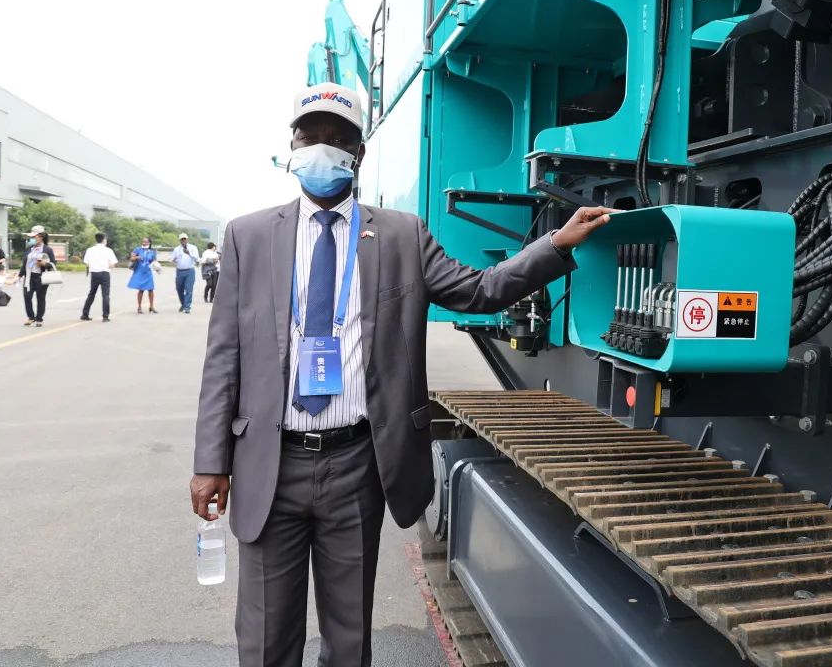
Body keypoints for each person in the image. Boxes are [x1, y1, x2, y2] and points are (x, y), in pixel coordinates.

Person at [189, 82, 615, 667]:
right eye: (310, 137)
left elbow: (479, 290)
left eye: (338, 140)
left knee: (348, 637)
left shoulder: (400, 235)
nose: (322, 150)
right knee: (265, 640)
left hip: (357, 463)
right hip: (270, 461)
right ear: (290, 145)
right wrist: (210, 461)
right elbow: (224, 355)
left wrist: (555, 245)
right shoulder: (247, 235)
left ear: (359, 155)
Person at [17, 225, 57, 327]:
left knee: (40, 298)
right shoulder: (29, 249)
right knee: (27, 297)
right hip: (29, 277)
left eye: (34, 236)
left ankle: (39, 318)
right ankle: (31, 317)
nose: (32, 239)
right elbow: (25, 263)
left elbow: (53, 264)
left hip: (41, 277)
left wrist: (44, 264)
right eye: (32, 237)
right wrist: (20, 275)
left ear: (41, 236)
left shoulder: (48, 250)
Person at [81, 233, 118, 322]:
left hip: (94, 273)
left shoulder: (90, 250)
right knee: (105, 295)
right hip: (105, 273)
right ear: (104, 239)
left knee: (92, 294)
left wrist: (94, 265)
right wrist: (108, 265)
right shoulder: (108, 250)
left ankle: (85, 314)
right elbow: (113, 264)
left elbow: (86, 262)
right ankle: (105, 316)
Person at [128, 237, 158, 314]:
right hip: (140, 271)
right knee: (141, 290)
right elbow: (131, 258)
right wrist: (137, 257)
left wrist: (157, 267)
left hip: (148, 272)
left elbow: (154, 261)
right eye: (143, 242)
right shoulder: (138, 249)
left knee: (150, 289)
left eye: (145, 242)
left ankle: (151, 306)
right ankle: (139, 307)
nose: (144, 243)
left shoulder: (152, 251)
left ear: (149, 243)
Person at [172, 233, 200, 313]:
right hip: (179, 271)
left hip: (189, 271)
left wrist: (189, 253)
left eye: (185, 239)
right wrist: (173, 260)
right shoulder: (177, 249)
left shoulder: (193, 248)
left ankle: (187, 306)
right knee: (179, 289)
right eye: (182, 239)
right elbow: (172, 258)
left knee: (189, 289)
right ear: (180, 240)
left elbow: (197, 259)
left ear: (187, 240)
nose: (183, 240)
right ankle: (183, 304)